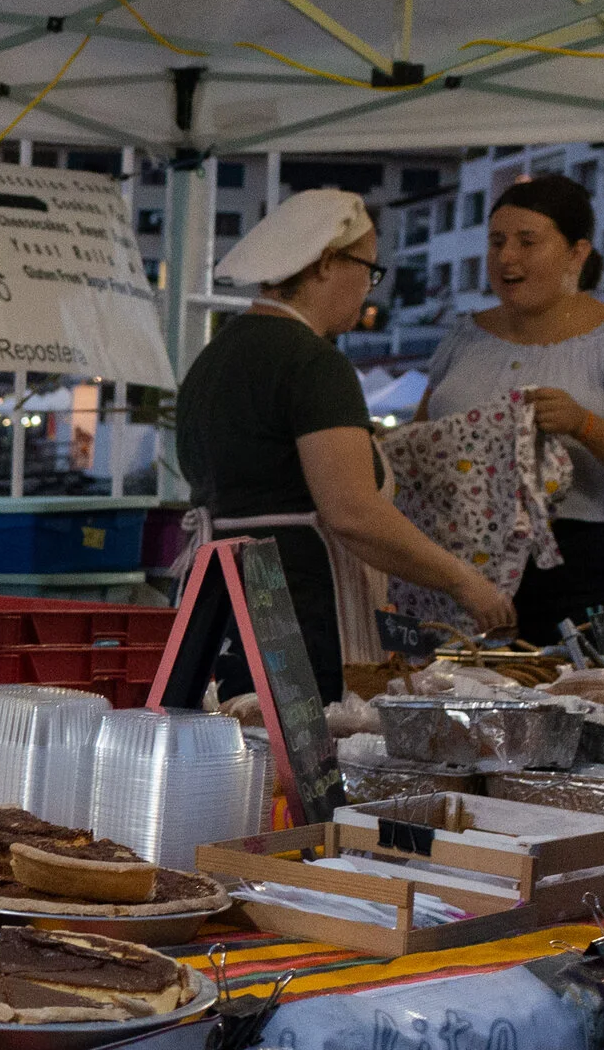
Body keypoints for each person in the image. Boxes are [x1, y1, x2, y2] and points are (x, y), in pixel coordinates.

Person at [176, 189, 518, 704]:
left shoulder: (213, 358)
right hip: (296, 609)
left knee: (232, 755)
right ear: (327, 264)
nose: (369, 290)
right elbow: (352, 511)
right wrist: (463, 581)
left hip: (217, 607)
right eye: (368, 270)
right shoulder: (314, 363)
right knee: (295, 772)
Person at [419, 172, 604, 641]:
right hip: (461, 557)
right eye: (497, 241)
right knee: (457, 692)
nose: (507, 257)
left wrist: (584, 425)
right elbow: (420, 440)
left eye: (527, 241)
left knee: (584, 697)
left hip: (588, 560)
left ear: (576, 252)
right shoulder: (464, 336)